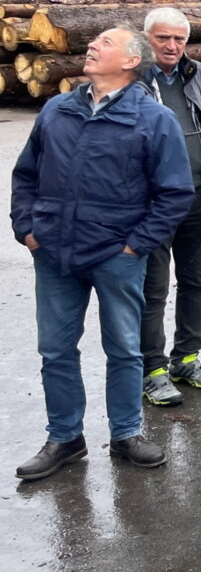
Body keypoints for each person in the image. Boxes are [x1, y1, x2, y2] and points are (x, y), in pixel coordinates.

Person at [13, 26, 192, 481]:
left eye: (105, 43)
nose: (91, 45)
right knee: (55, 350)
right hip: (54, 252)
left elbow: (175, 193)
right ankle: (64, 438)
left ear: (131, 61)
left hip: (116, 254)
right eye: (93, 41)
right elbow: (26, 175)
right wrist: (27, 230)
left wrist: (135, 245)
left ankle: (126, 434)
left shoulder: (153, 119)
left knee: (125, 349)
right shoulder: (57, 109)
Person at [138, 7, 201, 407]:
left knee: (196, 281)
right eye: (163, 38)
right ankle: (152, 369)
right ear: (147, 39)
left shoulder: (200, 75)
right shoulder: (133, 79)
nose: (172, 46)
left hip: (198, 197)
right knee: (152, 289)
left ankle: (187, 358)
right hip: (153, 206)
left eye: (179, 39)